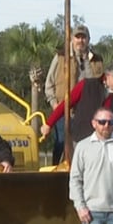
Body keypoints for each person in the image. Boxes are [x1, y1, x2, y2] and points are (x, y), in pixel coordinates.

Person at [42, 60, 113, 149]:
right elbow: (65, 105)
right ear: (108, 76)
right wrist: (49, 123)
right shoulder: (86, 85)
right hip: (81, 139)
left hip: (108, 144)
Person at [45, 24, 98, 164]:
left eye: (83, 37)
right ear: (71, 39)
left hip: (87, 113)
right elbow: (49, 83)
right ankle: (57, 174)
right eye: (77, 37)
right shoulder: (61, 57)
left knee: (86, 145)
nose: (80, 41)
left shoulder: (96, 60)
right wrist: (54, 103)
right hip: (63, 110)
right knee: (62, 143)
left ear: (88, 39)